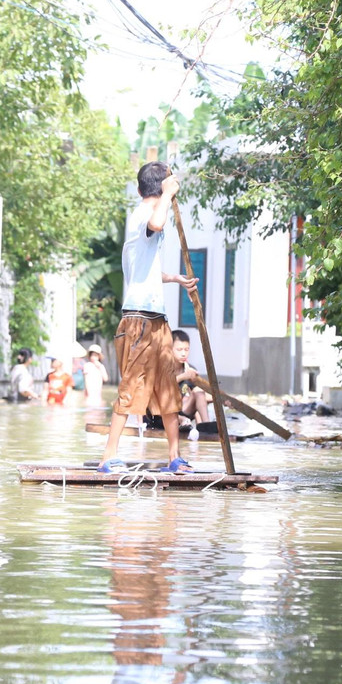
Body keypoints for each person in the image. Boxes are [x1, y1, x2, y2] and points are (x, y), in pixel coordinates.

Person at [96, 162, 199, 474]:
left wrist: (176, 279)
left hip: (156, 320)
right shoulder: (145, 214)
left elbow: (146, 270)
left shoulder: (146, 215)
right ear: (158, 189)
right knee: (131, 387)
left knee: (168, 388)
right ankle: (108, 457)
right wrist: (168, 195)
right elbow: (156, 223)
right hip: (139, 321)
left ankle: (174, 457)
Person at [171, 330, 211, 427]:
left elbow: (199, 396)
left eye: (187, 349)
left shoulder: (190, 370)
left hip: (183, 411)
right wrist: (183, 376)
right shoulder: (162, 368)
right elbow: (163, 386)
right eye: (179, 350)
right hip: (162, 414)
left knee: (198, 390)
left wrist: (222, 399)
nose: (184, 353)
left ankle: (206, 425)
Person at [82, 343, 108, 407]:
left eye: (96, 355)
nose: (93, 357)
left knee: (98, 405)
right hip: (90, 390)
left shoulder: (101, 366)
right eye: (92, 355)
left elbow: (105, 378)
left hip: (98, 391)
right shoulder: (87, 365)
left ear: (99, 357)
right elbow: (86, 379)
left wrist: (100, 367)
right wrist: (88, 391)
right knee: (89, 405)